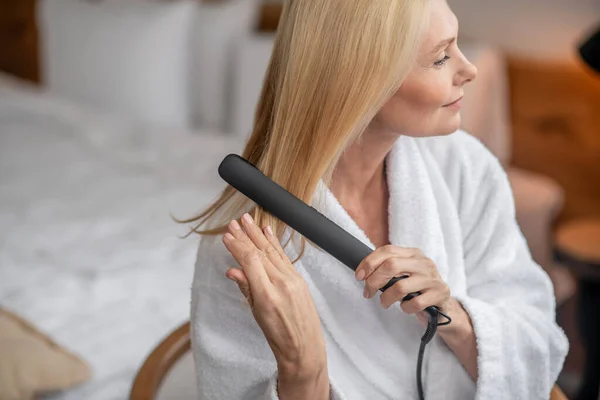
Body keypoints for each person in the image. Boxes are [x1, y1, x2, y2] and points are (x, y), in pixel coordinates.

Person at [184, 0, 569, 398]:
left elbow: (536, 341)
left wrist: (451, 314)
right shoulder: (244, 243)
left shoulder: (465, 169)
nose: (468, 69)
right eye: (441, 57)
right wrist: (302, 368)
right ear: (363, 81)